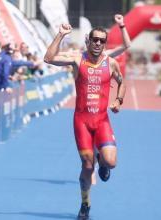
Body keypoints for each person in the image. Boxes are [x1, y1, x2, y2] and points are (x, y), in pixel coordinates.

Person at [44, 24, 126, 219]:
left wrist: (118, 100)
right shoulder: (76, 59)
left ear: (105, 44)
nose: (98, 43)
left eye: (102, 40)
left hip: (102, 120)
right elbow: (48, 58)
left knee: (111, 162)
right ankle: (85, 204)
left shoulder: (111, 63)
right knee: (87, 167)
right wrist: (61, 35)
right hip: (82, 121)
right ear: (88, 41)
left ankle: (103, 163)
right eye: (94, 39)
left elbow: (122, 83)